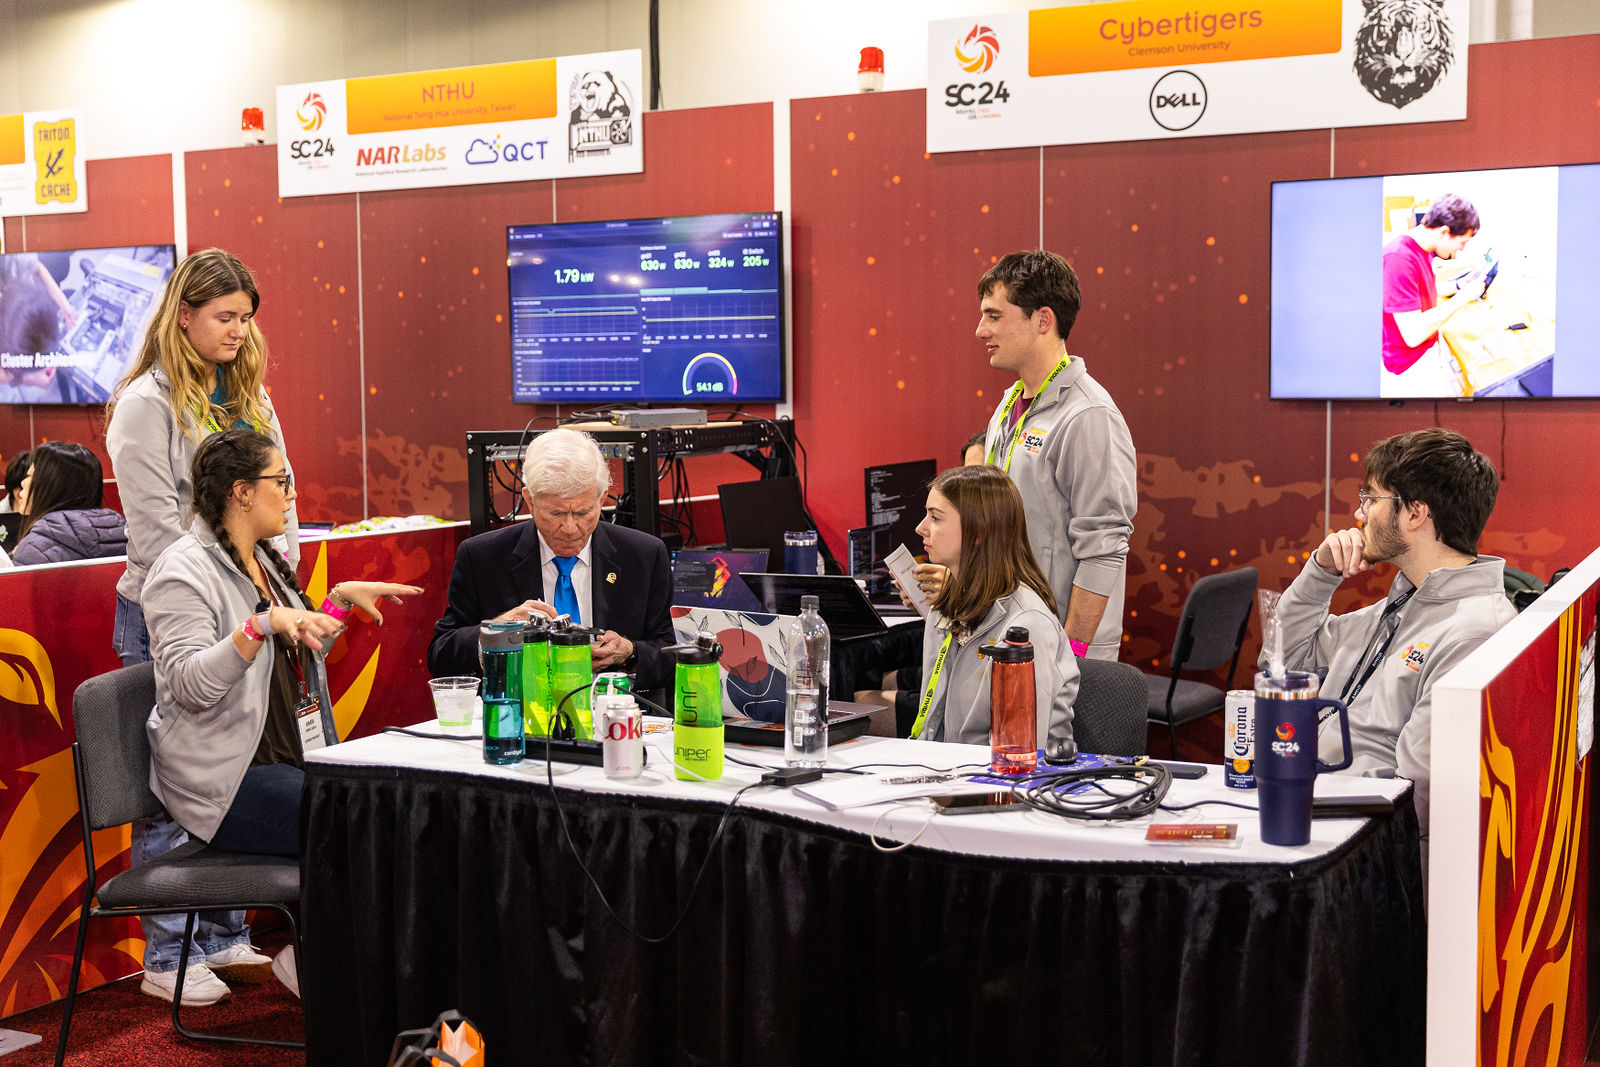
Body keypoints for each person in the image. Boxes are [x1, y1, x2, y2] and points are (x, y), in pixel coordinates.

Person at [142, 429, 420, 998]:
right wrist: (257, 625)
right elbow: (190, 684)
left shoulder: (263, 558)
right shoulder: (181, 570)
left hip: (284, 759)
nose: (292, 495)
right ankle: (320, 964)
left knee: (382, 807)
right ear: (242, 492)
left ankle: (345, 967)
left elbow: (299, 641)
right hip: (225, 778)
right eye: (282, 481)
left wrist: (338, 600)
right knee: (355, 823)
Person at [104, 248, 301, 1006]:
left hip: (249, 605)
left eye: (247, 317)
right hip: (171, 606)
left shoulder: (250, 392)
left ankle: (220, 935)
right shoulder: (145, 404)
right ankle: (167, 950)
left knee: (240, 769)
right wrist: (235, 588)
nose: (238, 330)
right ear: (183, 314)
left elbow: (281, 498)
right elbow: (154, 532)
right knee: (176, 783)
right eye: (225, 316)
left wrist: (277, 587)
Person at [1263, 428, 1515, 865]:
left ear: (1415, 513)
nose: (1360, 514)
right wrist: (1321, 572)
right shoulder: (1408, 601)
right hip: (1320, 809)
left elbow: (1419, 795)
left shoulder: (1473, 630)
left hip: (1357, 849)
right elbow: (1284, 663)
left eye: (1371, 498)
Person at [969, 250, 1136, 661]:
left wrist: (1072, 652)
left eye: (994, 316)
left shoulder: (1089, 415)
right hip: (1011, 638)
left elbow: (1104, 548)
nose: (980, 330)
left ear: (1043, 320)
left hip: (1060, 652)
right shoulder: (1009, 405)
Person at [429, 427, 675, 688]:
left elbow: (672, 652)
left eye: (582, 512)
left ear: (602, 500)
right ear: (530, 501)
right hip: (520, 713)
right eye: (556, 514)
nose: (570, 528)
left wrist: (631, 652)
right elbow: (440, 656)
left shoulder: (643, 555)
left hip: (616, 717)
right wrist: (498, 632)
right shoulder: (482, 557)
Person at [904, 465, 1077, 749]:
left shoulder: (1026, 624)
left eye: (935, 517)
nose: (920, 527)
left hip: (1001, 785)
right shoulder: (944, 609)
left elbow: (1020, 752)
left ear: (979, 531)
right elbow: (931, 725)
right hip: (944, 770)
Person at [1381, 193, 1483, 397]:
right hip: (1408, 365)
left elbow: (1425, 287)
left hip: (1425, 350)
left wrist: (1458, 285)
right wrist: (1463, 298)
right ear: (1445, 232)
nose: (1462, 248)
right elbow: (1413, 333)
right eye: (1462, 242)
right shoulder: (1399, 257)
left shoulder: (1422, 248)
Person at [9, 441, 127, 565]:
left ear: (52, 485)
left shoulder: (32, 551)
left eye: (29, 475)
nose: (22, 483)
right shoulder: (124, 535)